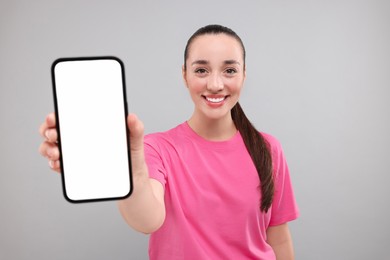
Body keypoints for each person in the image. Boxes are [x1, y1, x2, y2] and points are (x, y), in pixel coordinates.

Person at [39, 24, 299, 259]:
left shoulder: (268, 149)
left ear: (244, 75)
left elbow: (278, 238)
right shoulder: (156, 149)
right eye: (201, 70)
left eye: (230, 70)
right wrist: (131, 168)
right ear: (185, 75)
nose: (216, 83)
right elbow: (147, 220)